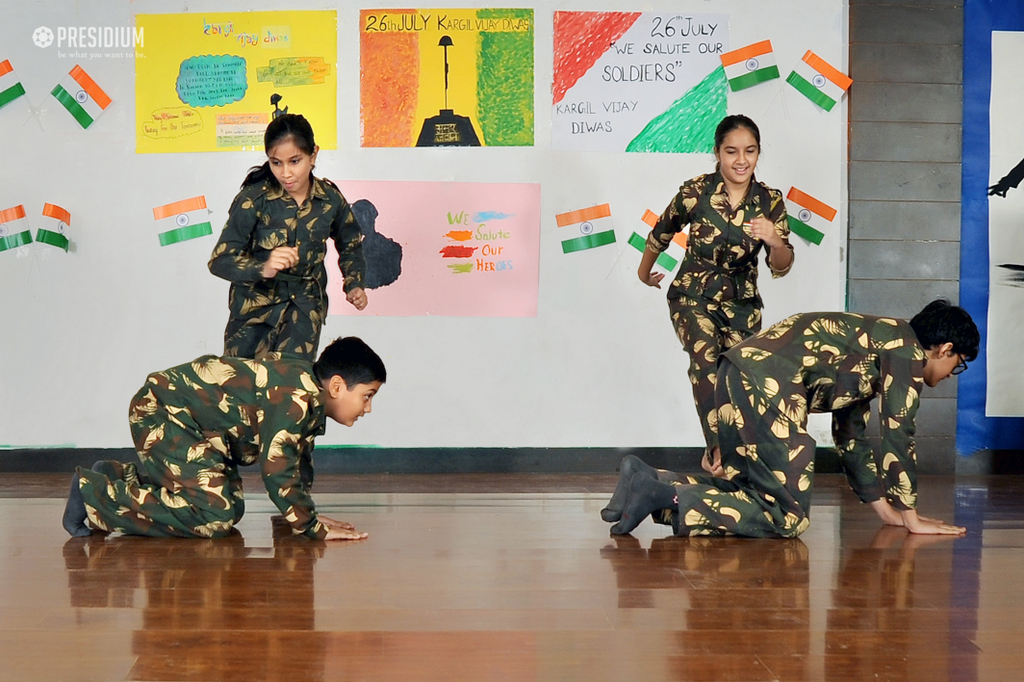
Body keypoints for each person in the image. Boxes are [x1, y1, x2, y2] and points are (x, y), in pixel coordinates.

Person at [602, 299, 979, 538]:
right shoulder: (906, 351)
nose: (950, 375)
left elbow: (850, 432)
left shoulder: (878, 341)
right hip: (770, 385)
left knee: (751, 489)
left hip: (736, 372)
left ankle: (648, 478)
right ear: (945, 349)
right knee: (786, 517)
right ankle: (665, 496)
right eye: (957, 365)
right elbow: (899, 432)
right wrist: (912, 517)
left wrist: (886, 510)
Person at [62, 336, 385, 540]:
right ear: (337, 386)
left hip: (195, 429)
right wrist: (311, 527)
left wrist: (305, 516)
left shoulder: (303, 389)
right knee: (215, 517)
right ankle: (94, 494)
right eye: (367, 396)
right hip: (165, 413)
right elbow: (277, 469)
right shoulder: (296, 398)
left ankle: (119, 476)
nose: (368, 408)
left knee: (231, 505)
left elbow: (296, 459)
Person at [637, 114, 794, 477]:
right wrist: (644, 273)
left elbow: (782, 265)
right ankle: (719, 452)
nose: (741, 160)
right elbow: (661, 232)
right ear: (717, 152)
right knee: (705, 361)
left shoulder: (770, 201)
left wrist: (774, 238)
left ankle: (743, 462)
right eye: (732, 151)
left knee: (741, 378)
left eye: (750, 151)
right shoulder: (696, 191)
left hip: (742, 303)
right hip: (693, 294)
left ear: (758, 154)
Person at [209, 113, 368, 362]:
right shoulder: (253, 200)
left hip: (303, 315)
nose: (286, 173)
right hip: (253, 316)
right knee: (243, 392)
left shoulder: (330, 200)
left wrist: (354, 282)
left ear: (313, 155)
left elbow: (350, 243)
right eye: (276, 163)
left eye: (295, 161)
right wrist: (263, 267)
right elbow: (220, 260)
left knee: (292, 392)